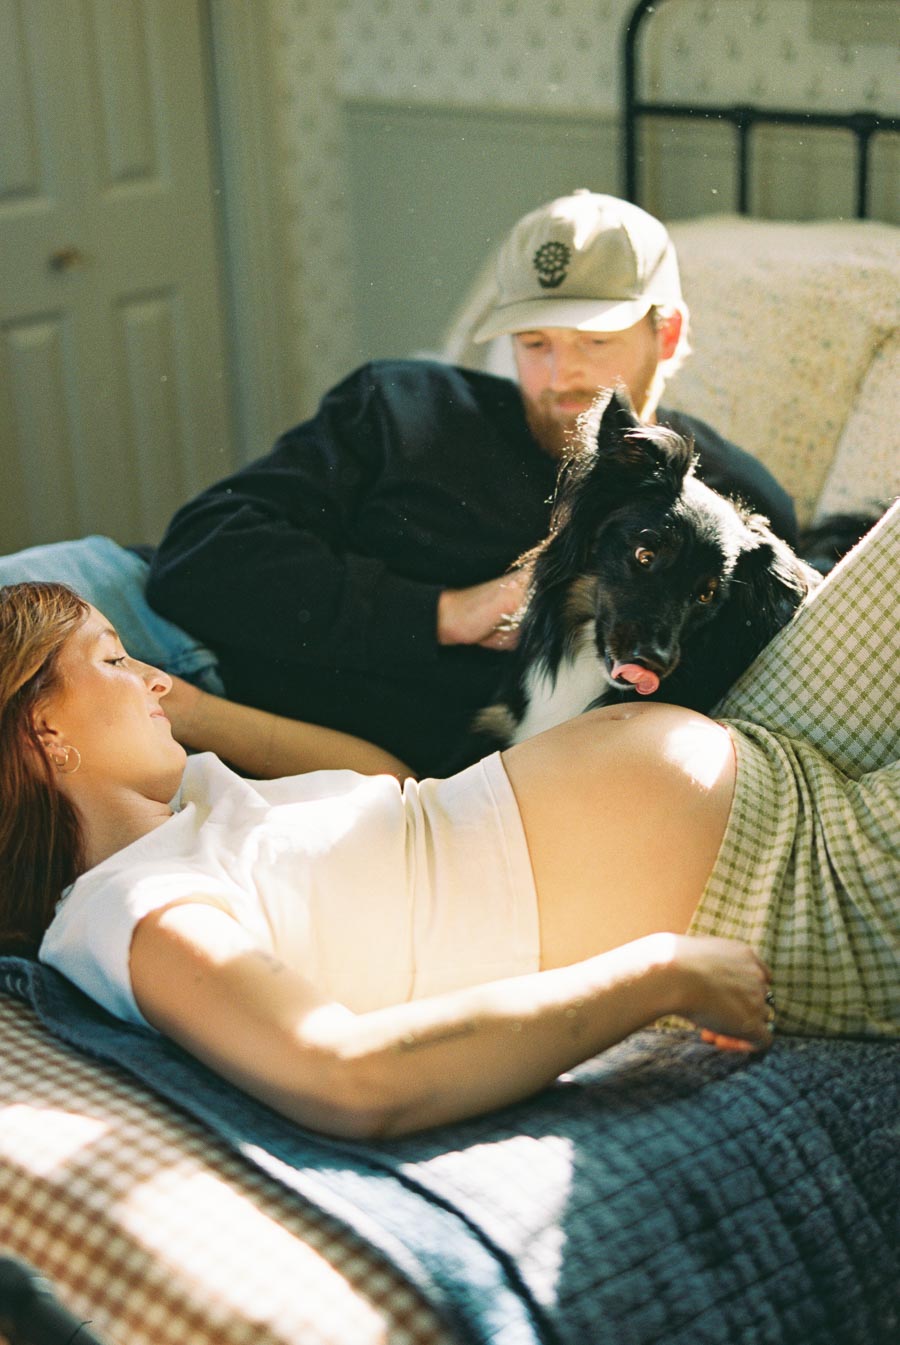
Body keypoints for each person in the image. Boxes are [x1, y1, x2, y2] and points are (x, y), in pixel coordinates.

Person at [0, 192, 797, 779]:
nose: (561, 377)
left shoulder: (721, 514)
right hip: (144, 615)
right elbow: (195, 556)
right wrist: (446, 613)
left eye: (594, 341)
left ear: (668, 332)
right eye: (534, 343)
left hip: (259, 734)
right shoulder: (406, 405)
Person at [2, 579, 776, 1139]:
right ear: (43, 731)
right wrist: (661, 972)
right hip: (760, 885)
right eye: (113, 660)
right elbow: (346, 1072)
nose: (153, 677)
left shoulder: (197, 802)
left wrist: (195, 711)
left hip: (760, 782)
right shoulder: (131, 903)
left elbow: (388, 786)